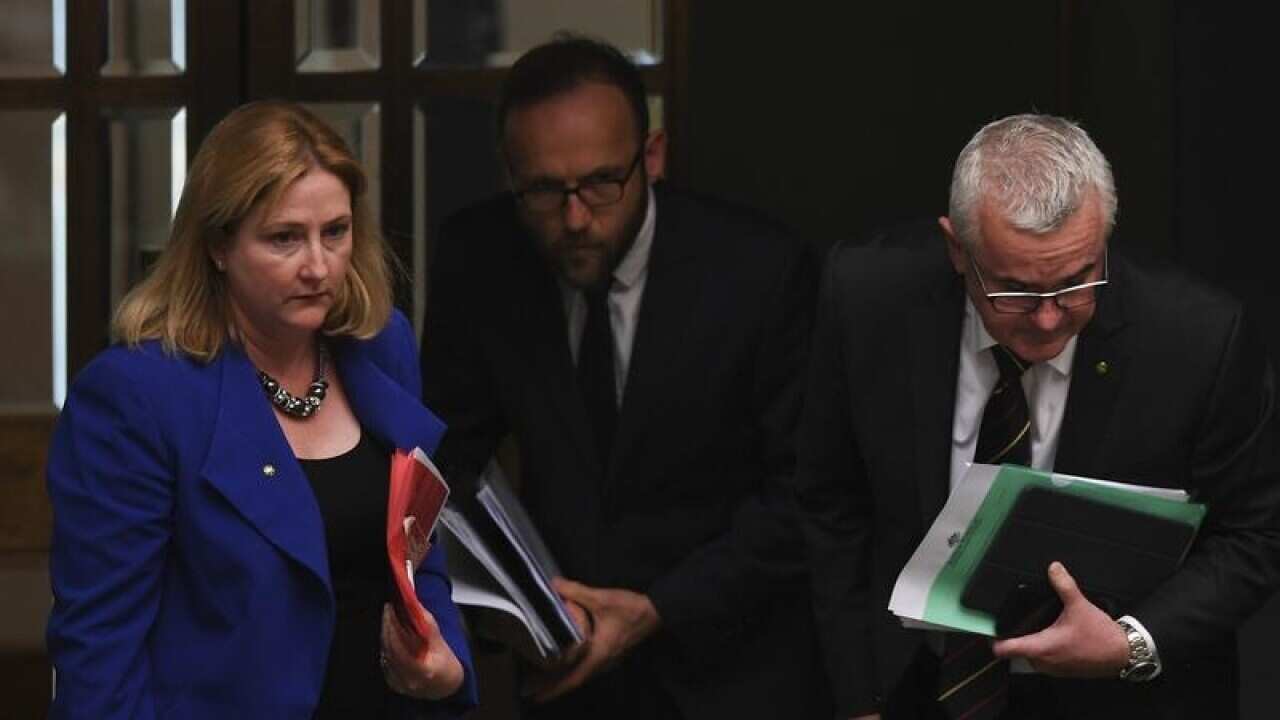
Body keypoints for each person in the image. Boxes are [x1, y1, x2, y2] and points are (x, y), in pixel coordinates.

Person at [797, 112, 1280, 720]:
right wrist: (858, 699)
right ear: (957, 249)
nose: (1050, 318)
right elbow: (830, 501)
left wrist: (1131, 641)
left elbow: (1257, 533)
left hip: (1121, 702)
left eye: (1077, 281)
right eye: (1016, 291)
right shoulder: (868, 298)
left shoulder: (1199, 339)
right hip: (914, 684)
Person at [419, 36, 832, 719]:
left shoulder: (761, 271)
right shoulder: (480, 256)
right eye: (544, 191)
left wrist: (659, 609)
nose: (575, 218)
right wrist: (511, 607)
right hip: (568, 670)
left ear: (653, 156)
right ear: (511, 175)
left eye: (602, 183)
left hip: (732, 673)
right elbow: (447, 463)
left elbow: (805, 494)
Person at [46, 101, 478, 719]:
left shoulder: (381, 348)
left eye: (336, 232)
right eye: (284, 238)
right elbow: (100, 659)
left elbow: (418, 554)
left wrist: (447, 666)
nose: (318, 266)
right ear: (218, 245)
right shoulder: (135, 395)